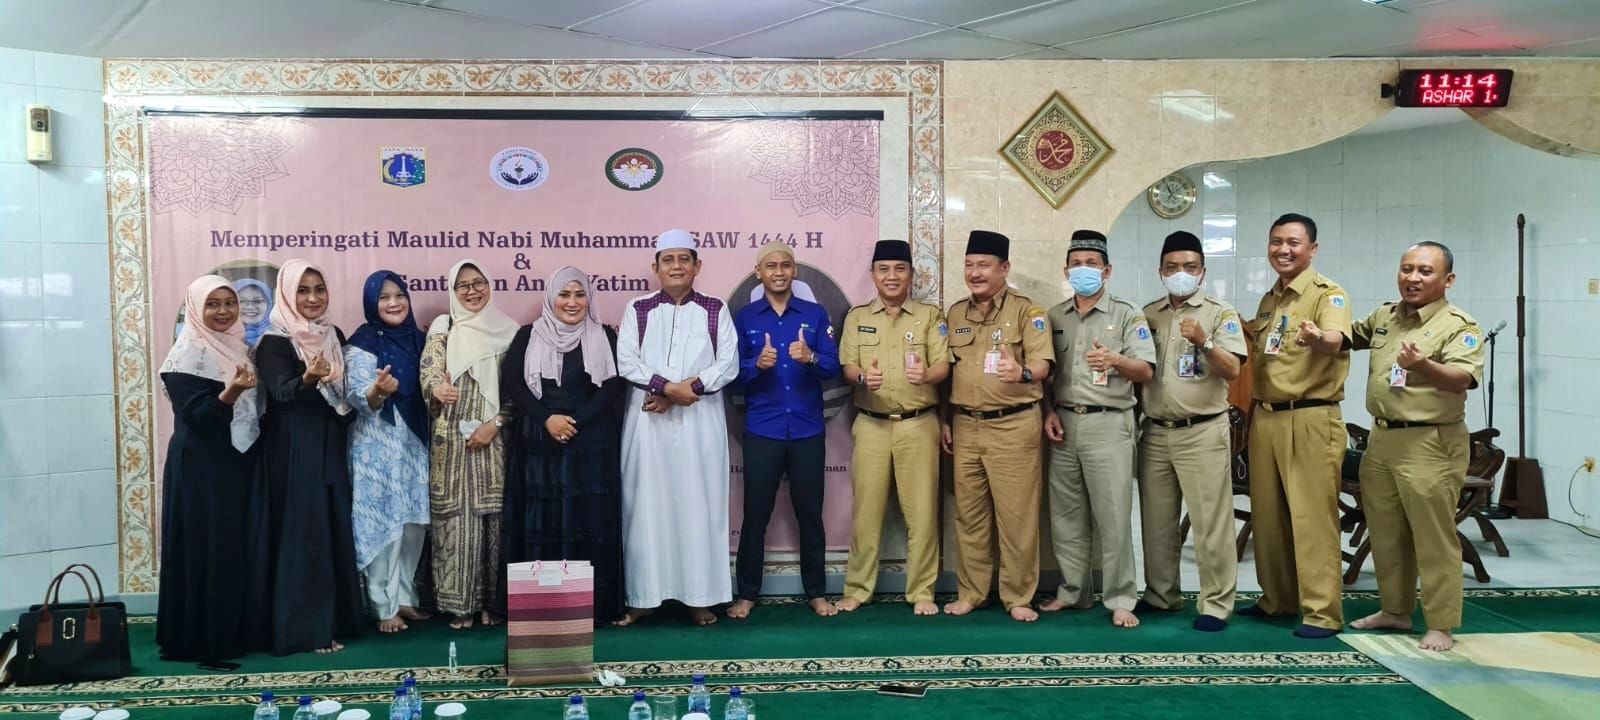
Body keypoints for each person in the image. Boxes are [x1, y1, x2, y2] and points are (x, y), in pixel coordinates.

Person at [1346, 242, 1483, 652]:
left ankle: (1441, 623)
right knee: (1386, 531)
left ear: (1448, 280)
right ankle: (1395, 610)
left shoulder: (1459, 326)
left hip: (1430, 442)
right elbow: (1351, 335)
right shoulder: (1386, 316)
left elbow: (1461, 379)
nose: (1413, 278)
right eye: (1407, 269)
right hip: (1381, 439)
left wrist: (1422, 365)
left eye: (1425, 271)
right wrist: (1320, 335)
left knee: (1433, 536)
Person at [614, 228, 740, 627]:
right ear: (655, 267)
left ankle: (699, 598)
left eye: (684, 259)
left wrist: (690, 390)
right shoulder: (638, 308)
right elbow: (626, 361)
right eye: (668, 260)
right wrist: (668, 389)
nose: (676, 266)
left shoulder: (715, 308)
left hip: (700, 420)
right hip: (647, 421)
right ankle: (643, 597)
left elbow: (728, 363)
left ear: (697, 266)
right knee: (645, 506)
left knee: (698, 504)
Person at [1241, 213, 1352, 639]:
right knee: (1268, 516)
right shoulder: (1269, 299)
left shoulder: (1328, 295)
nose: (1283, 250)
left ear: (1312, 249)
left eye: (1293, 242)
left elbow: (1335, 340)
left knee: (1312, 518)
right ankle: (1278, 600)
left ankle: (1322, 612)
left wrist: (1318, 339)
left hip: (1310, 416)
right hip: (1266, 417)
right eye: (1276, 242)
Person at [1039, 229, 1155, 629]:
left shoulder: (1127, 314)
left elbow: (1146, 371)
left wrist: (1116, 361)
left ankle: (1121, 597)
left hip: (1110, 423)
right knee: (1066, 515)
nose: (1083, 270)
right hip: (1064, 424)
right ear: (1065, 271)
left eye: (1091, 264)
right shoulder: (1054, 317)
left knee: (1114, 516)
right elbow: (1046, 376)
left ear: (1107, 271)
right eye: (1076, 264)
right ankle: (1074, 591)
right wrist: (1049, 411)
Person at [1135, 231, 1247, 632]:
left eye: (1189, 267)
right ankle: (1161, 595)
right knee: (1157, 522)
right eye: (1172, 267)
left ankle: (1216, 603)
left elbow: (1233, 370)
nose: (1180, 273)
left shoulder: (1219, 313)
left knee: (1210, 522)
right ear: (1160, 271)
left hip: (1201, 430)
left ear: (1202, 271)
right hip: (1155, 431)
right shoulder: (1148, 314)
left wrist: (1205, 342)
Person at [502, 266, 627, 626]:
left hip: (591, 444)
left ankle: (591, 607)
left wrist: (575, 421)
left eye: (580, 294)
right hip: (539, 443)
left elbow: (613, 386)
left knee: (589, 519)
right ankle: (541, 607)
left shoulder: (604, 335)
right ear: (551, 297)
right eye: (564, 294)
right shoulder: (528, 336)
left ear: (589, 298)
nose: (572, 303)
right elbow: (514, 384)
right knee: (542, 520)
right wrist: (547, 419)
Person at [252, 259, 363, 655]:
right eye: (303, 290)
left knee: (331, 527)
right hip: (294, 450)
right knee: (304, 534)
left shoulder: (333, 335)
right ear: (286, 294)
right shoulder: (274, 341)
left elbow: (345, 395)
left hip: (330, 443)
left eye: (319, 289)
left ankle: (336, 620)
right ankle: (305, 630)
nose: (313, 298)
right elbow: (281, 392)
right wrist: (309, 378)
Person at [834, 239, 950, 616]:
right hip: (871, 425)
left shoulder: (930, 316)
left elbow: (943, 366)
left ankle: (922, 591)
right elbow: (848, 366)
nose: (891, 276)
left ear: (911, 274)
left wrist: (927, 375)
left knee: (922, 514)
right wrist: (862, 378)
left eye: (900, 269)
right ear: (873, 274)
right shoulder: (857, 317)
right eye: (883, 269)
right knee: (866, 514)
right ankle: (858, 588)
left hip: (919, 424)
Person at [941, 230, 1052, 623]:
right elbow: (946, 373)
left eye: (984, 265)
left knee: (1017, 517)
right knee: (969, 516)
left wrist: (1022, 372)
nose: (975, 273)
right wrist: (944, 420)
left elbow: (1042, 365)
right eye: (969, 265)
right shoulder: (955, 314)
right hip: (965, 426)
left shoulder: (1028, 312)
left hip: (1013, 426)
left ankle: (1018, 596)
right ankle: (972, 592)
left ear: (1004, 268)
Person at [730, 242, 841, 620]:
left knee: (810, 514)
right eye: (771, 266)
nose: (778, 272)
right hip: (763, 430)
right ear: (758, 272)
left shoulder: (814, 313)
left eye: (785, 265)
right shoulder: (745, 318)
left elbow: (832, 367)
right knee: (755, 515)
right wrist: (755, 366)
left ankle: (817, 593)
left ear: (795, 271)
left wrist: (810, 358)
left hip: (807, 430)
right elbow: (730, 376)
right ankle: (747, 594)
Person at [156, 275, 261, 667]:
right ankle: (202, 640)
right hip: (200, 466)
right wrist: (231, 392)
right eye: (212, 304)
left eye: (229, 303)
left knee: (231, 547)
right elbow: (197, 417)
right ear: (195, 310)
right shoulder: (185, 355)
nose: (223, 311)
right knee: (206, 547)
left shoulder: (238, 349)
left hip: (235, 461)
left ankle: (232, 631)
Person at [422, 260, 520, 630]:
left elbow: (518, 389)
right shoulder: (443, 327)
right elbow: (430, 371)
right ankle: (459, 605)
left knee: (494, 520)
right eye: (462, 285)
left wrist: (495, 424)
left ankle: (490, 604)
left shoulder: (509, 332)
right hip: (451, 443)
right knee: (455, 521)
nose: (472, 291)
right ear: (453, 290)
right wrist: (437, 389)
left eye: (478, 283)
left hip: (494, 440)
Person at [343, 270, 432, 634]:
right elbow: (355, 396)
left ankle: (406, 596)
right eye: (384, 297)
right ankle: (383, 605)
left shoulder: (420, 340)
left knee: (412, 522)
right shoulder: (362, 342)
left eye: (400, 295)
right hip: (376, 446)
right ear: (371, 303)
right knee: (384, 521)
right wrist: (378, 391)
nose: (394, 303)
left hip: (414, 442)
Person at [234, 277, 274, 346]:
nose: (250, 307)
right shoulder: (221, 337)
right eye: (242, 301)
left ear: (269, 304)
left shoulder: (279, 336)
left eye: (258, 301)